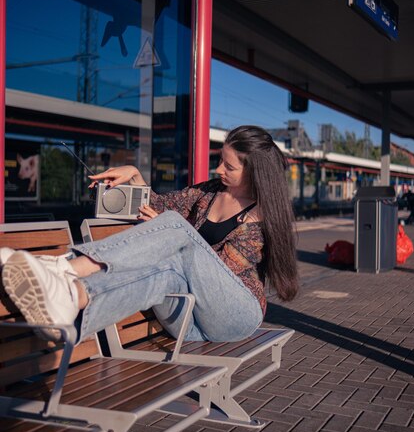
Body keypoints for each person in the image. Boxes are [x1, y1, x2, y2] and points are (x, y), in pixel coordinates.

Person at [0, 125, 298, 344]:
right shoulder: (210, 191)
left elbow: (216, 270)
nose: (218, 168)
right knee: (162, 272)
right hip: (189, 320)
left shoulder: (261, 217)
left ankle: (62, 267)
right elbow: (160, 207)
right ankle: (71, 303)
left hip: (235, 313)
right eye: (220, 159)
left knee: (178, 234)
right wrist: (135, 176)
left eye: (228, 166)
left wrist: (176, 230)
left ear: (253, 172)